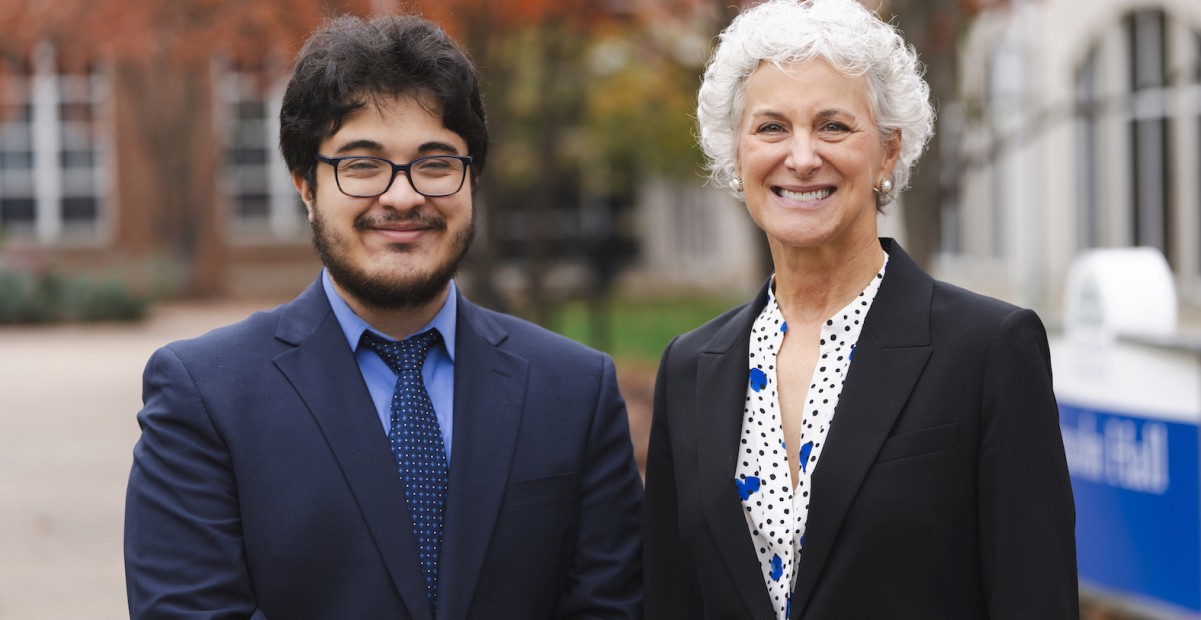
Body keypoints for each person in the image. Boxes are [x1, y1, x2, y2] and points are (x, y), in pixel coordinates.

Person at [124, 13, 643, 619]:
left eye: (436, 162)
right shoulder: (204, 395)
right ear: (305, 185)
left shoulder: (576, 392)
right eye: (362, 164)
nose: (402, 197)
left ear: (471, 178)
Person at [642, 0, 1078, 617]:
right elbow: (670, 601)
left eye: (833, 126)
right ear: (736, 153)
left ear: (889, 152)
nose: (800, 157)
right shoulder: (690, 369)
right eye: (770, 127)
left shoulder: (987, 351)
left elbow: (1034, 598)